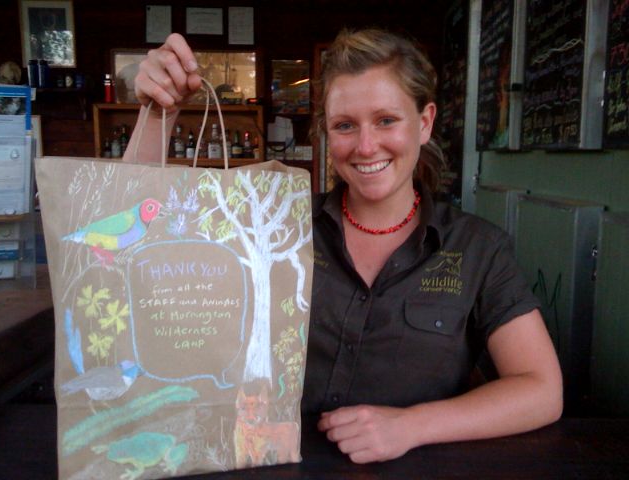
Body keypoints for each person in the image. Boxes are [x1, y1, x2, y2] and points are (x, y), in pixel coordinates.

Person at [124, 29, 563, 465]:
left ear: (425, 122)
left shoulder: (478, 248)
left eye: (386, 120)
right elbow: (138, 232)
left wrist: (410, 426)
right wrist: (160, 113)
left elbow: (541, 389)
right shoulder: (276, 224)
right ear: (326, 134)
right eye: (345, 126)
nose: (366, 146)